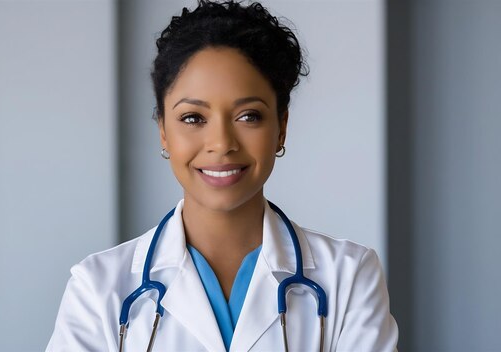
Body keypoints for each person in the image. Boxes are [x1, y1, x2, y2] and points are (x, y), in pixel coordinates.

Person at [46, 1, 398, 351]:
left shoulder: (349, 277)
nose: (221, 144)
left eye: (248, 116)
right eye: (193, 118)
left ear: (281, 128)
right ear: (163, 132)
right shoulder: (97, 288)